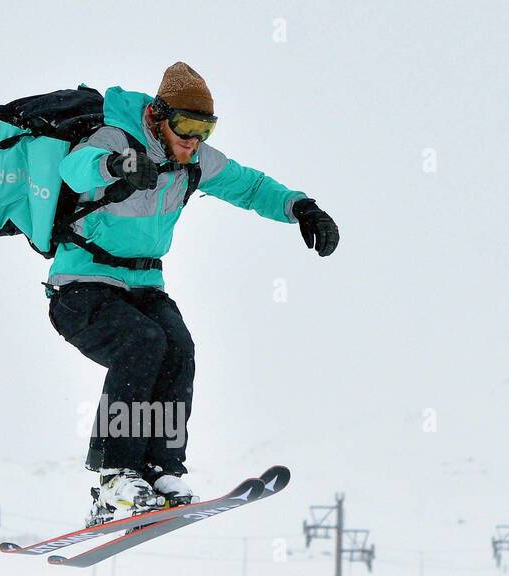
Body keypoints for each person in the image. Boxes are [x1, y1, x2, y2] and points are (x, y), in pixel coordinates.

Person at [44, 63, 339, 524]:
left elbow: (250, 186)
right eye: (186, 126)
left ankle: (160, 470)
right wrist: (116, 165)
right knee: (141, 344)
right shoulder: (116, 138)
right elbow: (75, 168)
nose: (193, 139)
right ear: (160, 117)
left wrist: (300, 207)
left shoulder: (195, 161)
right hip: (80, 288)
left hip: (143, 286)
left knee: (178, 349)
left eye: (205, 129)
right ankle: (116, 478)